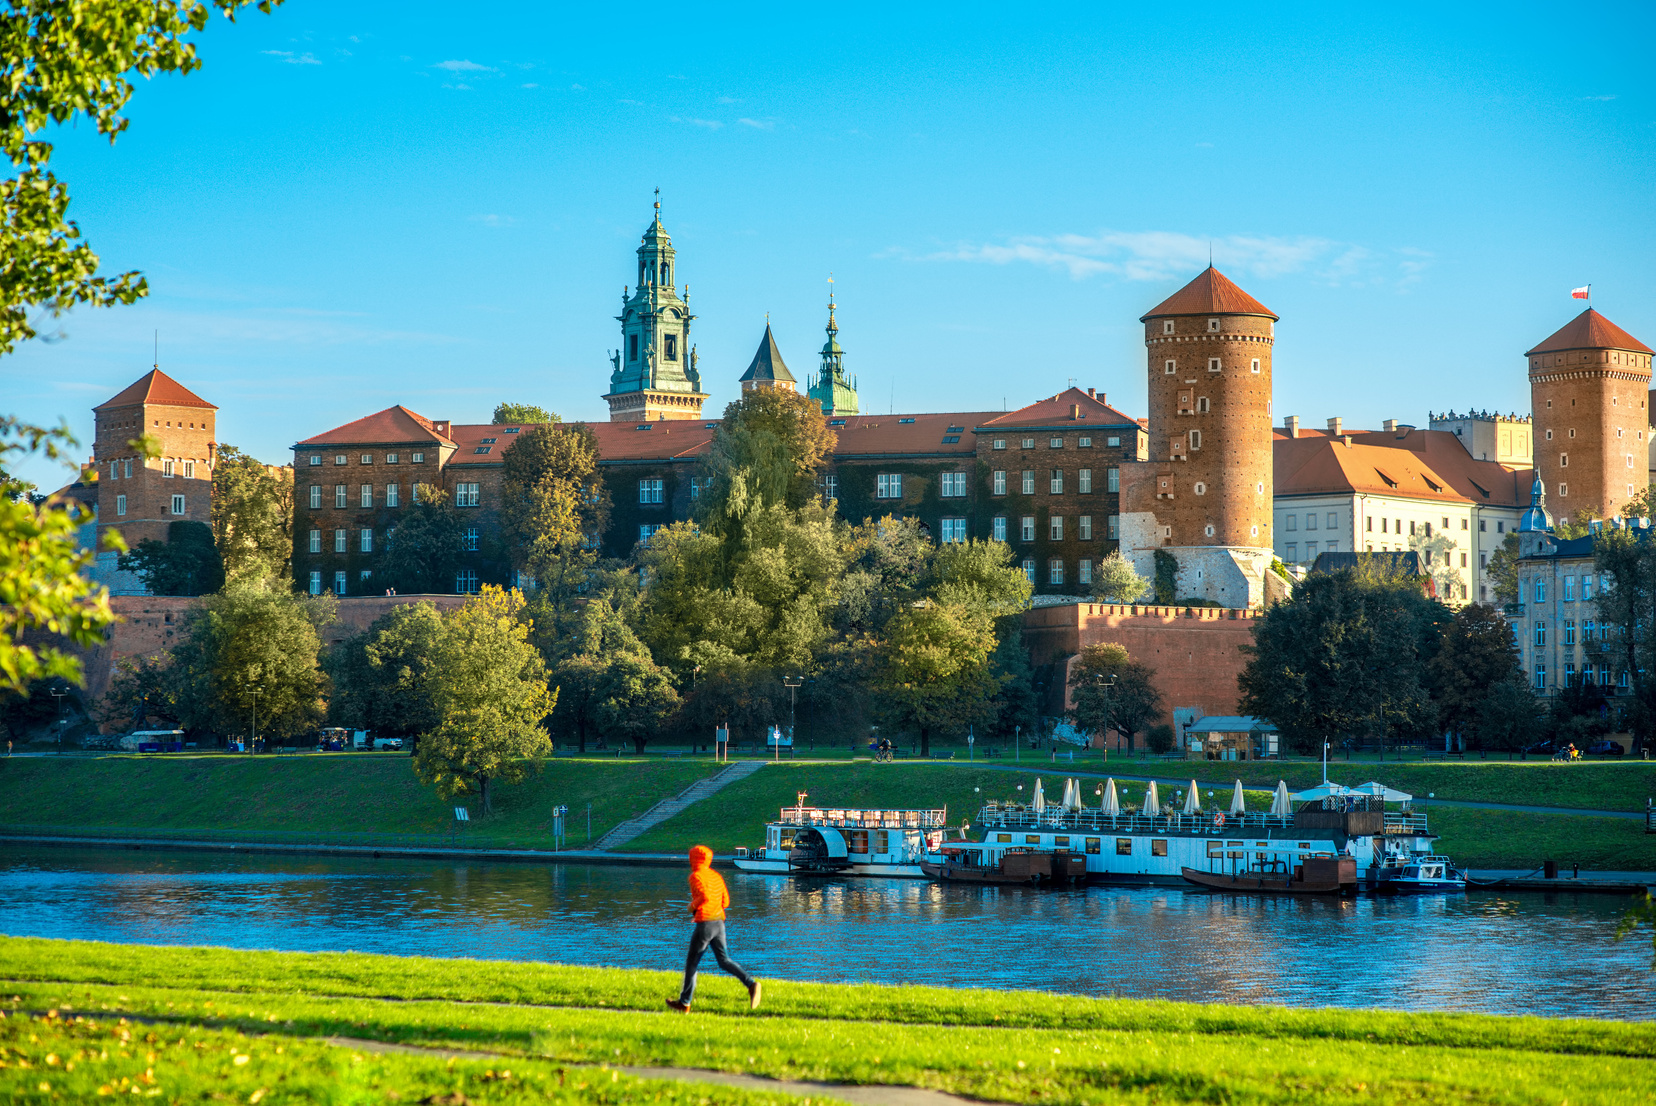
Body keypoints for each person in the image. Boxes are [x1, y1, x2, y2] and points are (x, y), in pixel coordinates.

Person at [667, 845, 760, 1014]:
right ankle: (751, 984)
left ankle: (685, 1003)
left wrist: (692, 906)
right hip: (719, 923)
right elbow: (725, 902)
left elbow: (705, 896)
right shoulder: (716, 876)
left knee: (692, 963)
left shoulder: (696, 876)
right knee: (724, 960)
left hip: (705, 924)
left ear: (694, 859)